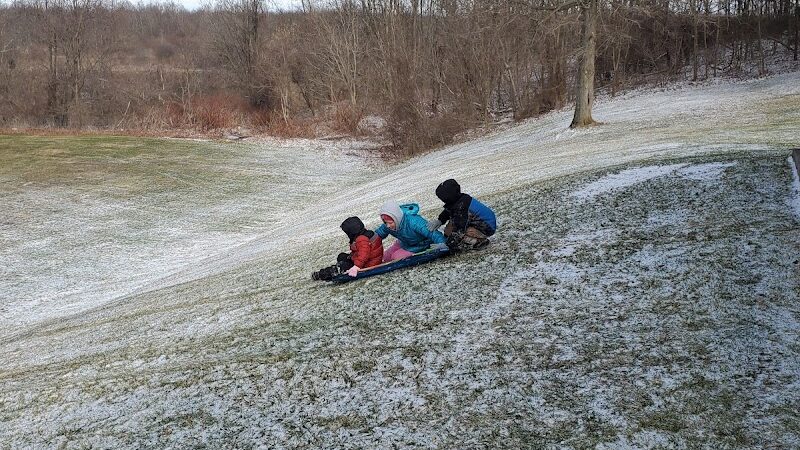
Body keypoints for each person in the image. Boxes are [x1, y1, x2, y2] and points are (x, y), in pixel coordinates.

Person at [428, 179, 496, 251]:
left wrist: (448, 245)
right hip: (476, 222)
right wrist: (440, 220)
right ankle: (461, 240)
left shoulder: (462, 207)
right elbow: (449, 210)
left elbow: (459, 229)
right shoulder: (459, 199)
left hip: (487, 227)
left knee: (461, 234)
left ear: (449, 197)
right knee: (448, 230)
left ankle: (480, 242)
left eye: (444, 198)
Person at [312, 216, 383, 281]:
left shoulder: (361, 239)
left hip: (367, 264)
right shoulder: (365, 234)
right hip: (366, 260)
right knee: (342, 256)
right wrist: (351, 256)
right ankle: (340, 267)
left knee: (343, 266)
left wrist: (356, 267)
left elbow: (364, 254)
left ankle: (322, 274)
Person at [375, 200, 447, 262]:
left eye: (390, 223)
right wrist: (369, 237)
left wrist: (442, 243)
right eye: (385, 223)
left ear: (397, 219)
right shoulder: (388, 225)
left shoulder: (414, 222)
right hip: (404, 242)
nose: (388, 225)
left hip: (421, 244)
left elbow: (432, 233)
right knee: (386, 257)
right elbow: (378, 234)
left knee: (396, 257)